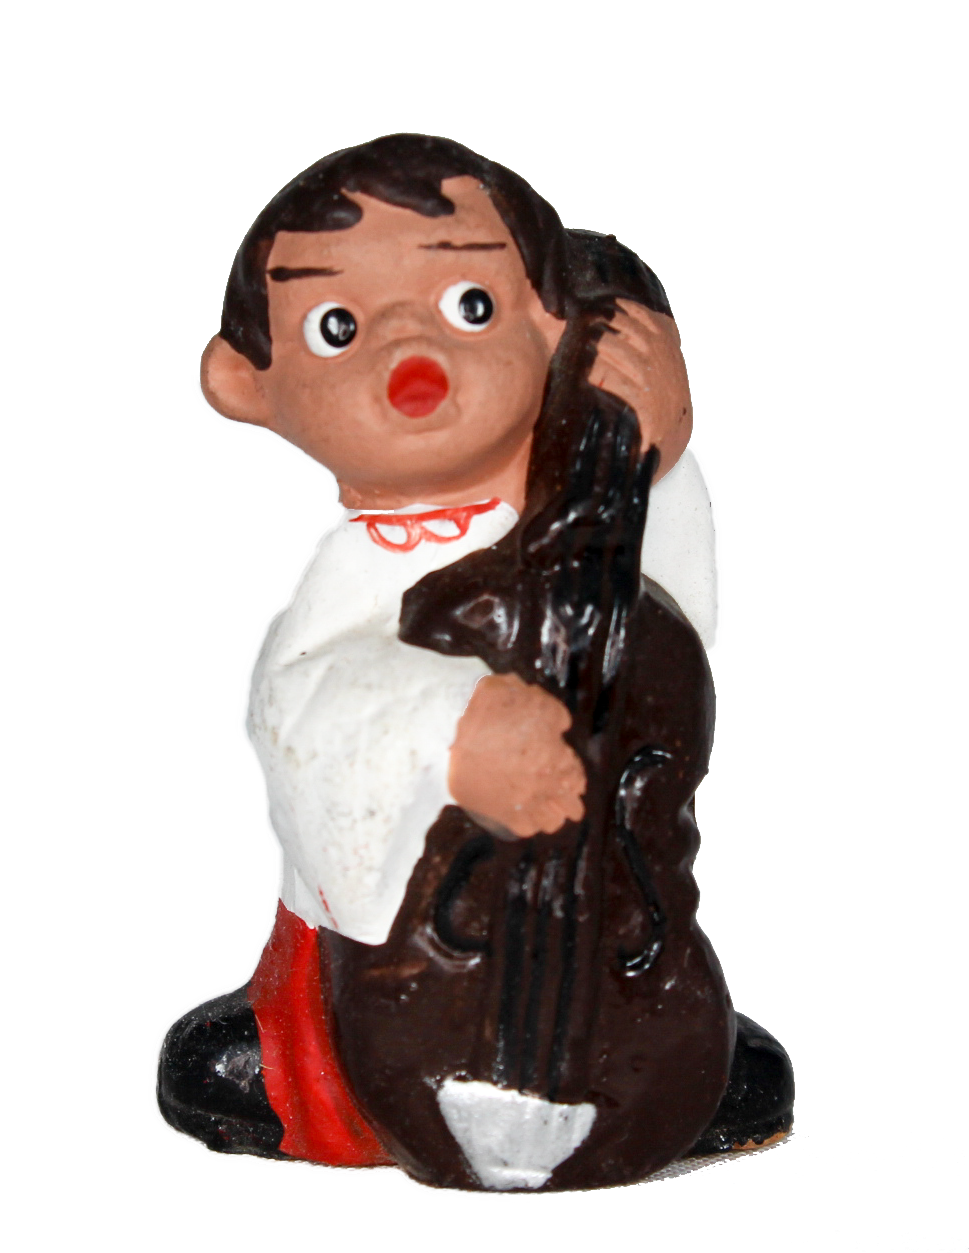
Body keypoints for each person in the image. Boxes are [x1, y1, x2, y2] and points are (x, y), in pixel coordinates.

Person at [153, 135, 793, 1188]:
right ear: (245, 385)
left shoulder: (578, 496)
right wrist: (451, 730)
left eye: (471, 306)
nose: (411, 354)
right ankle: (328, 1078)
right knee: (264, 1056)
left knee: (700, 1038)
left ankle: (638, 1026)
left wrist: (655, 451)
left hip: (601, 909)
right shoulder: (355, 567)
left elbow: (683, 625)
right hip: (395, 947)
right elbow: (294, 707)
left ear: (553, 327)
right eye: (338, 327)